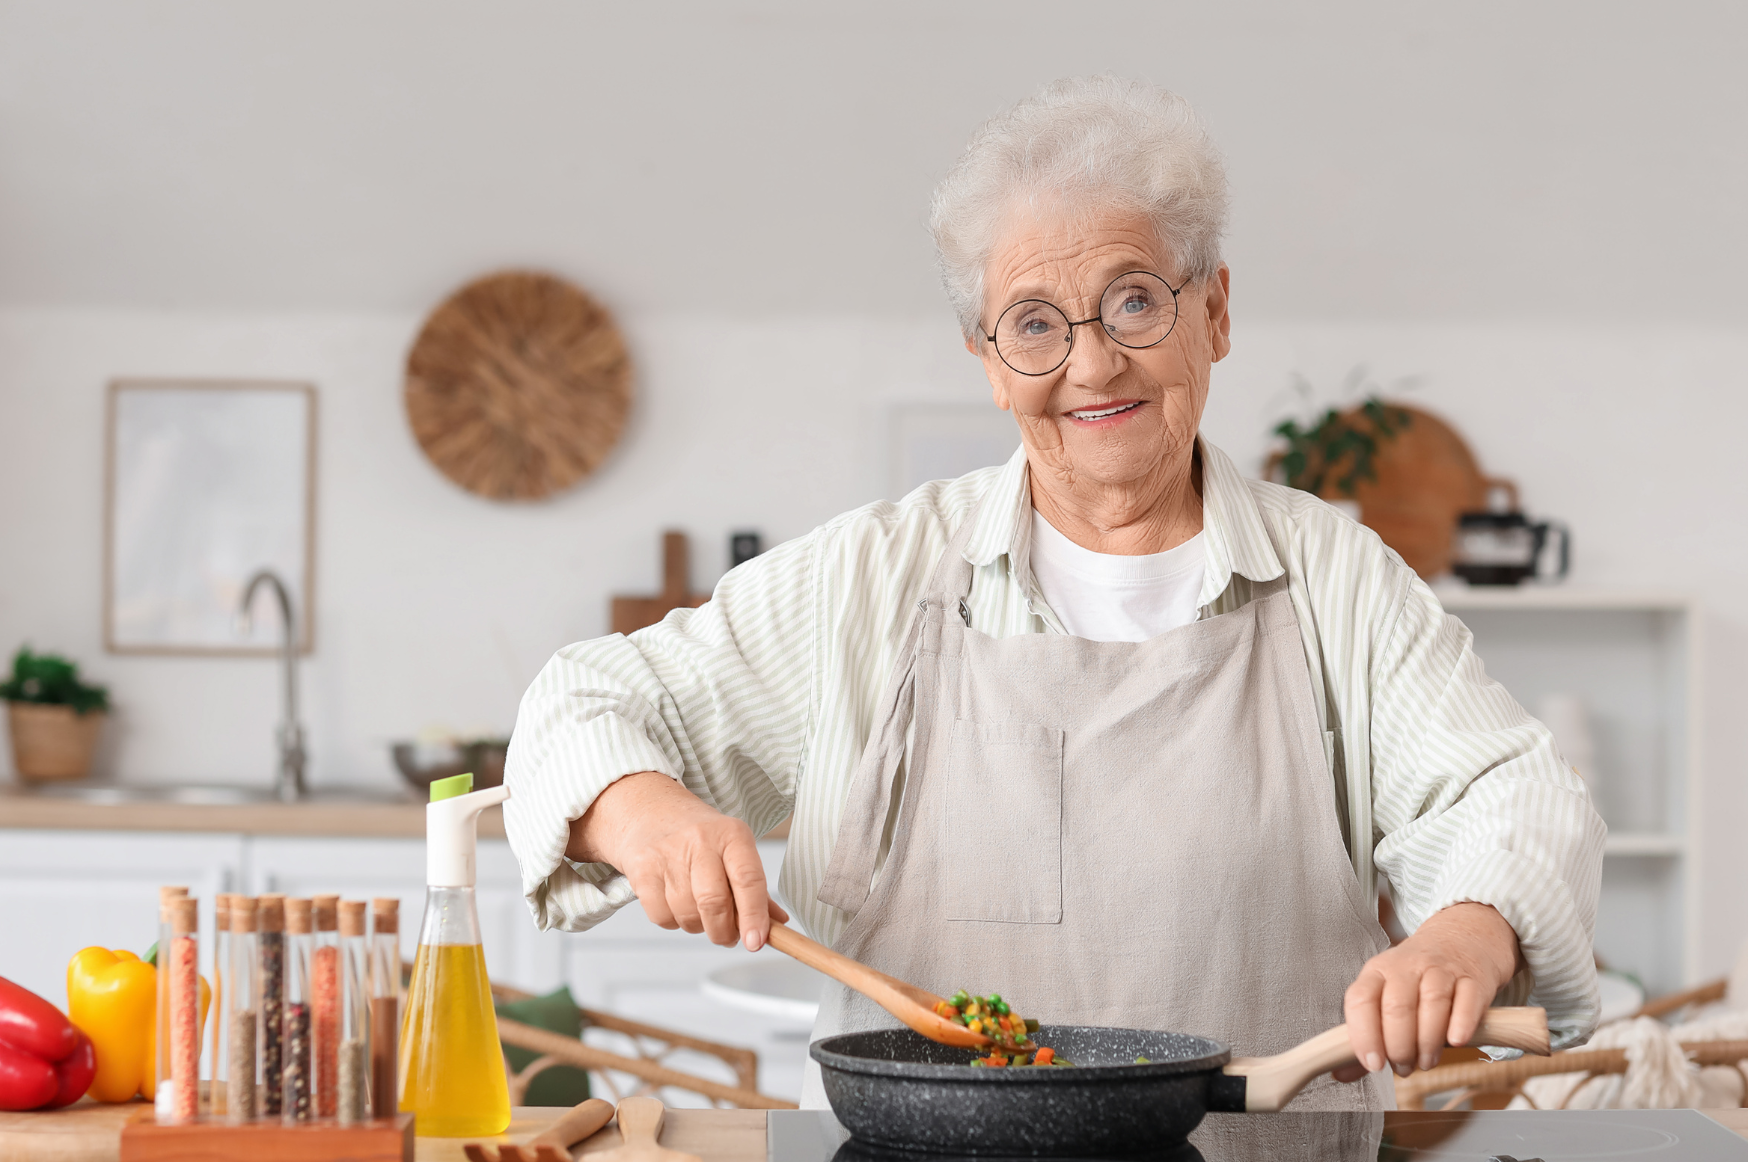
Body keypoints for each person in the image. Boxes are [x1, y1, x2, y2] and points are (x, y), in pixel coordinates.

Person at [504, 76, 1603, 1109]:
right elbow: (581, 702)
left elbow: (1506, 792)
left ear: (1212, 313)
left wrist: (1464, 930)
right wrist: (645, 812)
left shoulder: (1334, 581)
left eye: (1133, 301)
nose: (1089, 363)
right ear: (986, 359)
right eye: (1033, 321)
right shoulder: (867, 578)